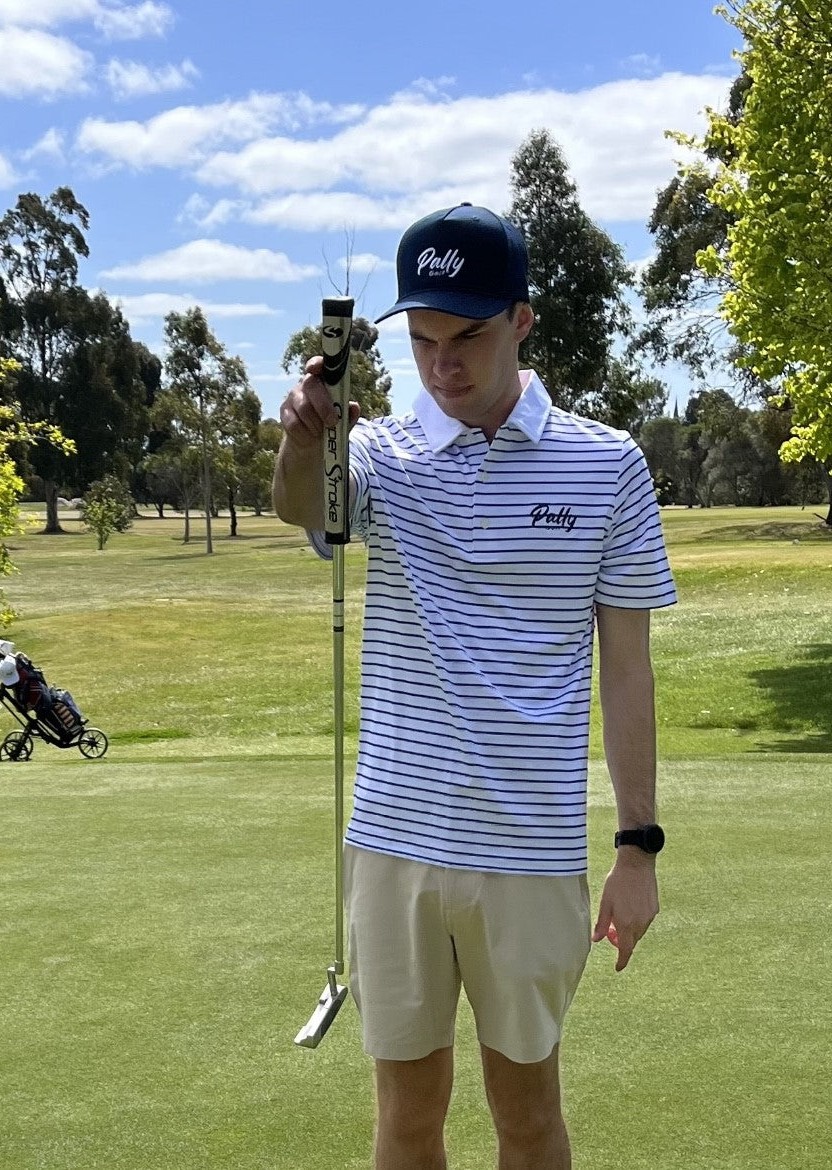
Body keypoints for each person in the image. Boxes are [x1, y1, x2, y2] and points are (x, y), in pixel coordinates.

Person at [274, 203, 677, 1169]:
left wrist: (638, 847)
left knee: (527, 1114)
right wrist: (303, 434)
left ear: (523, 321)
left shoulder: (606, 464)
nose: (443, 365)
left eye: (468, 337)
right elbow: (301, 506)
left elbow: (627, 668)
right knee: (405, 1118)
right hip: (393, 843)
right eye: (421, 341)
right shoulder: (382, 453)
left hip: (529, 855)